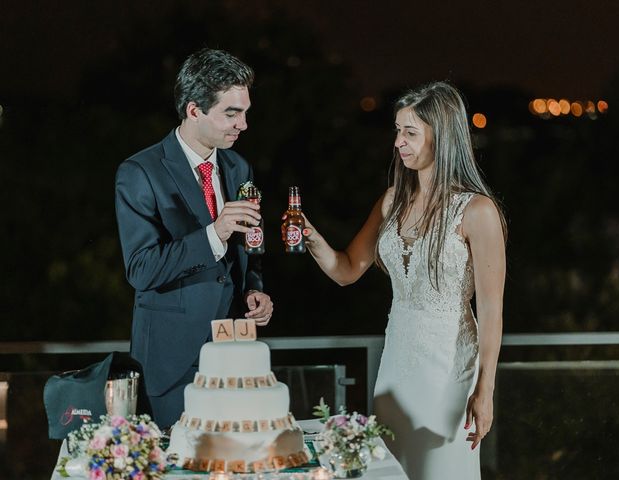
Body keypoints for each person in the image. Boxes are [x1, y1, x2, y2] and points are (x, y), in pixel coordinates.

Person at [298, 82, 506, 479]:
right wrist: (311, 237)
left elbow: (492, 311)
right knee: (392, 469)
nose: (398, 142)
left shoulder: (478, 211)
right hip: (396, 364)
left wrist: (485, 390)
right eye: (397, 131)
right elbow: (345, 270)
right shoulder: (392, 200)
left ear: (441, 138)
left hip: (449, 367)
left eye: (410, 133)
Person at [115, 48, 274, 429]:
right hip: (171, 360)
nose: (244, 124)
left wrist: (254, 289)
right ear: (193, 110)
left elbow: (250, 247)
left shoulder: (238, 166)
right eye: (231, 114)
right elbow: (141, 270)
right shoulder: (140, 172)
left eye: (245, 112)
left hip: (233, 353)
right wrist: (214, 232)